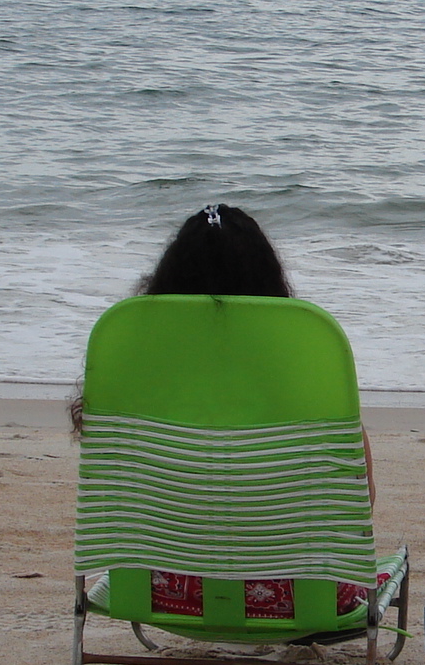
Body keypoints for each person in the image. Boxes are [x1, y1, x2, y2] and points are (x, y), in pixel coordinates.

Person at [68, 204, 374, 503]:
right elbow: (360, 502)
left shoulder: (130, 381)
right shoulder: (303, 377)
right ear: (271, 284)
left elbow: (107, 495)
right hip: (282, 551)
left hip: (154, 550)